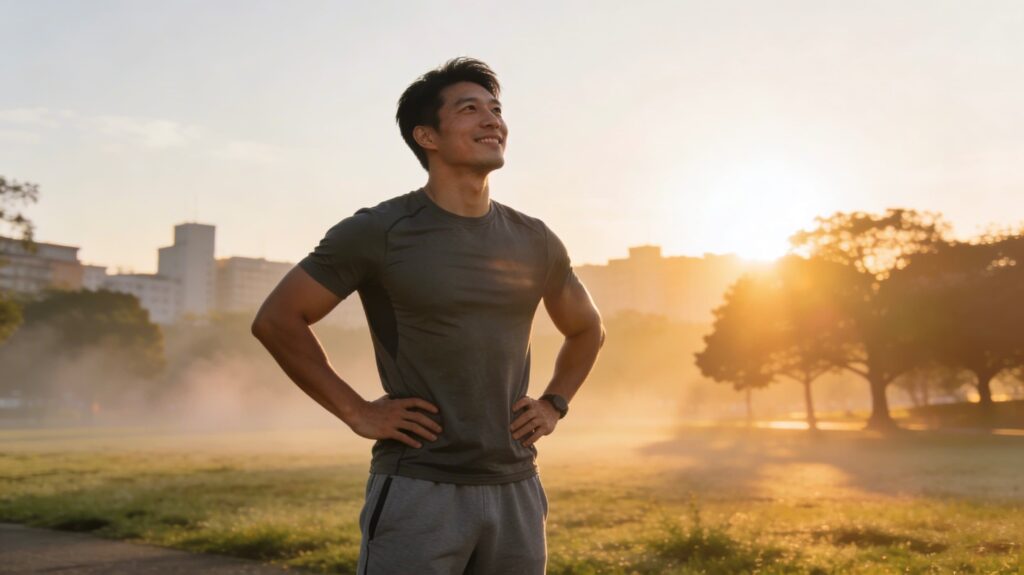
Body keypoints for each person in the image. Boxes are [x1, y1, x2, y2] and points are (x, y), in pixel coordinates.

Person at [252, 57, 606, 575]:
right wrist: (357, 412)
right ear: (427, 137)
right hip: (418, 486)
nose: (492, 119)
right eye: (470, 109)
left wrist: (554, 403)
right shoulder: (379, 230)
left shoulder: (536, 239)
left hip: (516, 486)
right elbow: (277, 319)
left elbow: (587, 328)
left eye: (496, 109)